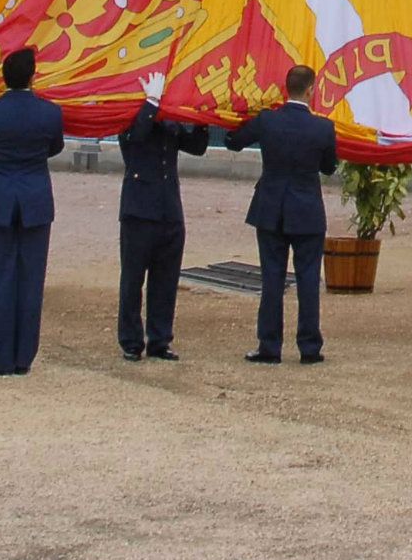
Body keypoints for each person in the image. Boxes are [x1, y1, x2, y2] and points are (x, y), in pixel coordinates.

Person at [0, 47, 64, 376]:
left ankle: (1, 355)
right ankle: (23, 357)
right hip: (34, 200)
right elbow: (55, 147)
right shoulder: (50, 112)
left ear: (2, 77)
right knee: (31, 280)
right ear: (33, 76)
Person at [226, 62, 338, 366]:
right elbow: (329, 167)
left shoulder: (268, 121)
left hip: (271, 207)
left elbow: (233, 142)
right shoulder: (323, 127)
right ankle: (309, 347)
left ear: (285, 88)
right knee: (308, 280)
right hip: (307, 209)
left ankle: (270, 345)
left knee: (272, 279)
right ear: (311, 90)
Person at [116, 69, 210, 362]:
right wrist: (151, 102)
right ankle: (131, 341)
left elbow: (197, 147)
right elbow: (136, 136)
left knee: (166, 279)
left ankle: (160, 339)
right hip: (139, 210)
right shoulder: (131, 118)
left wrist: (204, 119)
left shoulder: (168, 121)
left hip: (169, 209)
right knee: (133, 280)